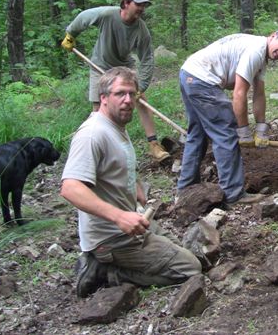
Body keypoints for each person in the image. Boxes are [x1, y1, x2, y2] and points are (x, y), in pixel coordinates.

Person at [61, 67, 201, 298]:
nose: (127, 101)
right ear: (103, 98)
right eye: (120, 94)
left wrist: (133, 183)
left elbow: (116, 163)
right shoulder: (92, 134)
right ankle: (106, 272)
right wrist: (119, 216)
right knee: (190, 268)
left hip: (129, 221)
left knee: (182, 248)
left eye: (132, 94)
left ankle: (116, 261)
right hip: (110, 236)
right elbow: (70, 188)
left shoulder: (115, 125)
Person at [177, 28, 278, 205]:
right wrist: (243, 131)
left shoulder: (261, 55)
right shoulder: (256, 51)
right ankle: (233, 193)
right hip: (202, 79)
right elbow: (239, 94)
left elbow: (259, 94)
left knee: (198, 134)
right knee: (225, 131)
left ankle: (186, 187)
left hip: (189, 73)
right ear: (273, 35)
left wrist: (261, 129)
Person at [61, 0, 170, 163]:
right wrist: (70, 34)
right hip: (100, 66)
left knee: (142, 102)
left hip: (124, 66)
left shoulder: (141, 29)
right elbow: (83, 18)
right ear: (126, 3)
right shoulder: (107, 15)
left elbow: (148, 58)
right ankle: (98, 149)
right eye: (138, 4)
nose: (142, 9)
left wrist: (140, 87)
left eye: (144, 5)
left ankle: (154, 145)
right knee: (99, 109)